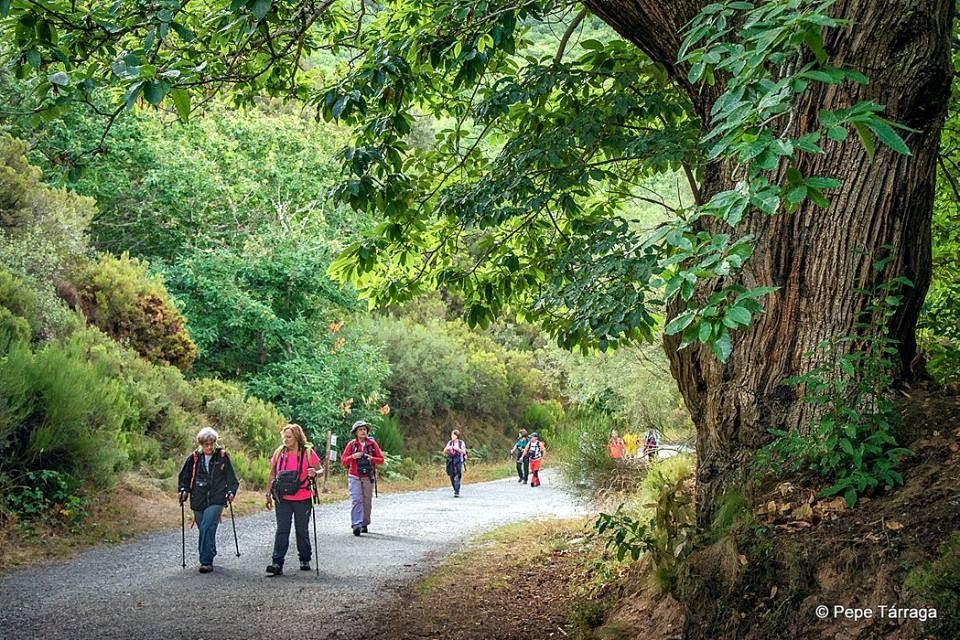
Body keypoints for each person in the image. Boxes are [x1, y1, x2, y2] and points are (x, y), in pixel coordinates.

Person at [177, 427, 239, 574]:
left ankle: (205, 562)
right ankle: (210, 552)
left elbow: (232, 479)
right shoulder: (193, 458)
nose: (209, 447)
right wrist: (183, 490)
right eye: (206, 444)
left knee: (206, 526)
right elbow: (184, 478)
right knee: (206, 529)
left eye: (212, 443)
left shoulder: (222, 456)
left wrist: (231, 492)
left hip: (217, 498)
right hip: (198, 499)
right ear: (201, 444)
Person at [265, 423, 322, 576]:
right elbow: (272, 474)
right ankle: (277, 563)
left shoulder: (308, 453)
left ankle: (304, 558)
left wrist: (314, 473)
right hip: (282, 497)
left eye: (289, 437)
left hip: (303, 497)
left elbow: (320, 470)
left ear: (296, 437)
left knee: (301, 530)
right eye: (284, 436)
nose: (285, 439)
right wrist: (268, 494)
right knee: (282, 530)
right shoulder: (279, 452)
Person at [340, 420, 384, 536]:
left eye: (364, 429)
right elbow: (343, 461)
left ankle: (364, 523)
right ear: (355, 432)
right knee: (356, 500)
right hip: (354, 475)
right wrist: (353, 456)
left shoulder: (372, 444)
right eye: (360, 430)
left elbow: (381, 460)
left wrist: (371, 458)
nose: (363, 431)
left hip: (368, 476)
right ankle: (356, 525)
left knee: (366, 501)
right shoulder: (352, 445)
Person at [443, 430, 467, 497]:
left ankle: (457, 491)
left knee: (458, 475)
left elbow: (464, 452)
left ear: (457, 436)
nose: (452, 436)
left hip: (459, 460)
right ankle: (455, 488)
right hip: (451, 460)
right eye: (452, 435)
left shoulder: (461, 443)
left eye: (453, 435)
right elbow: (444, 451)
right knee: (451, 475)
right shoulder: (450, 442)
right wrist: (447, 448)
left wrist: (457, 449)